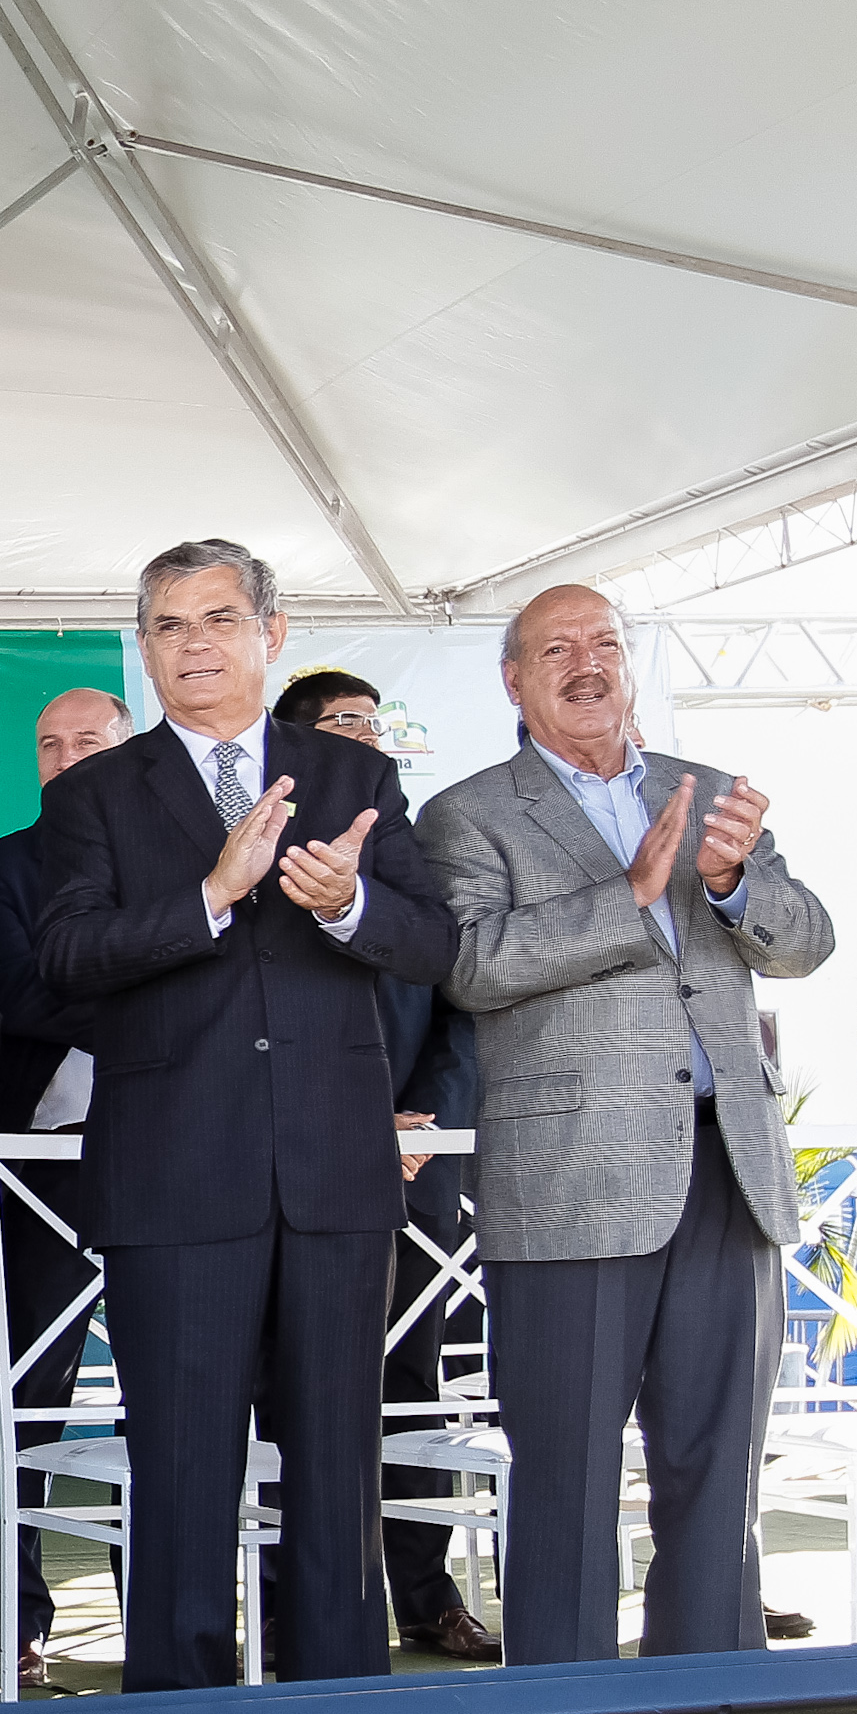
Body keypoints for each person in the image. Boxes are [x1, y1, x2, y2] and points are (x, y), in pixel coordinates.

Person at [35, 540, 450, 1692]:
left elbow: (431, 942)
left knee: (334, 1472)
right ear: (145, 649)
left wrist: (348, 904)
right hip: (174, 1183)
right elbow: (65, 957)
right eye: (168, 627)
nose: (195, 644)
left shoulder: (350, 777)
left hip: (332, 1180)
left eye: (217, 619)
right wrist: (209, 897)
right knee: (179, 1476)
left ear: (270, 635)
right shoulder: (94, 794)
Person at [419, 585, 835, 1665]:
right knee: (565, 1473)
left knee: (715, 1466)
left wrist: (735, 878)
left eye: (602, 642)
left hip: (723, 1169)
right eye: (554, 649)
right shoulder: (465, 814)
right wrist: (631, 896)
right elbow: (467, 967)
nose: (584, 662)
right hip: (569, 1182)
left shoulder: (703, 794)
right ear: (512, 681)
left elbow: (802, 943)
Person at [272, 671, 497, 1662]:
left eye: (372, 723)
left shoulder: (416, 863)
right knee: (286, 1389)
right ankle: (289, 1608)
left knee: (410, 1387)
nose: (364, 739)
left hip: (416, 1166)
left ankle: (421, 1590)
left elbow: (460, 1011)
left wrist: (424, 1120)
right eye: (340, 726)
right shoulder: (259, 856)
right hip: (299, 1163)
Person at [0, 687, 129, 1694]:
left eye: (88, 742)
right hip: (34, 1163)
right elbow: (16, 994)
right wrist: (156, 1013)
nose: (66, 759)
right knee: (24, 1404)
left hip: (168, 1155)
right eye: (47, 743)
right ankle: (11, 1623)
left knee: (172, 1402)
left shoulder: (187, 858)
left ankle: (159, 1612)